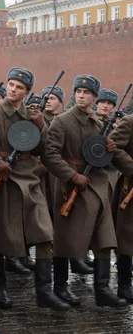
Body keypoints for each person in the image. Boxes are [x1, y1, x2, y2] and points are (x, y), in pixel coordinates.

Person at [0, 67, 68, 311]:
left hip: (29, 179)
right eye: (11, 84)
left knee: (45, 235)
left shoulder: (32, 115)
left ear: (27, 92)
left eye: (19, 87)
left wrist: (41, 126)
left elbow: (45, 150)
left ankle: (44, 292)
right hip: (1, 179)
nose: (13, 90)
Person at [44, 75, 125, 308]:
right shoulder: (62, 121)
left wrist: (110, 148)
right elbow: (50, 155)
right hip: (71, 187)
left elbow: (102, 157)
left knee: (103, 238)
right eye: (78, 91)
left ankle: (102, 289)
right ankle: (60, 286)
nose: (81, 95)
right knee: (65, 238)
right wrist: (71, 175)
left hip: (97, 187)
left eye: (87, 92)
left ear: (94, 97)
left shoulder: (99, 125)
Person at [108, 107, 133, 303]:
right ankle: (124, 284)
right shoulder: (129, 121)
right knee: (127, 236)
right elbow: (113, 146)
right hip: (131, 187)